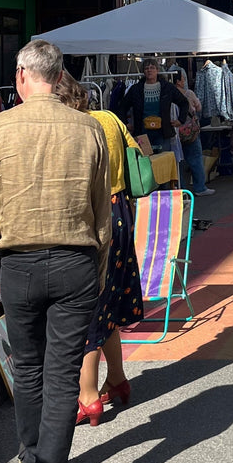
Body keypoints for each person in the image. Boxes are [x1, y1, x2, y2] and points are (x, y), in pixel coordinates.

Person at [0, 39, 110, 463]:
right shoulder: (89, 129)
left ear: (23, 76)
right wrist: (98, 266)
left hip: (19, 264)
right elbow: (102, 213)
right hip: (75, 261)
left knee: (27, 367)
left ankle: (34, 462)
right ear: (59, 75)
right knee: (62, 375)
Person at [55, 73, 144, 425]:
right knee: (110, 302)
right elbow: (138, 153)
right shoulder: (109, 118)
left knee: (88, 308)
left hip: (94, 217)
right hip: (121, 210)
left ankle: (88, 396)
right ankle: (118, 379)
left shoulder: (74, 129)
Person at [118, 57, 189, 152]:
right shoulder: (136, 89)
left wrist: (181, 120)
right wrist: (126, 123)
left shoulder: (167, 87)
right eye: (146, 68)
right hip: (142, 133)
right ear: (143, 71)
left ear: (157, 70)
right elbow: (122, 106)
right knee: (146, 163)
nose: (149, 70)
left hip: (162, 133)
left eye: (152, 68)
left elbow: (184, 102)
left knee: (162, 161)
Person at [169, 67, 215, 197]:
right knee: (195, 158)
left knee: (179, 162)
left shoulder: (167, 94)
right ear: (178, 81)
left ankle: (182, 188)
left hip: (174, 132)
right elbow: (198, 108)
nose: (184, 81)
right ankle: (200, 187)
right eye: (183, 79)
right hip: (190, 131)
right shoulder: (188, 93)